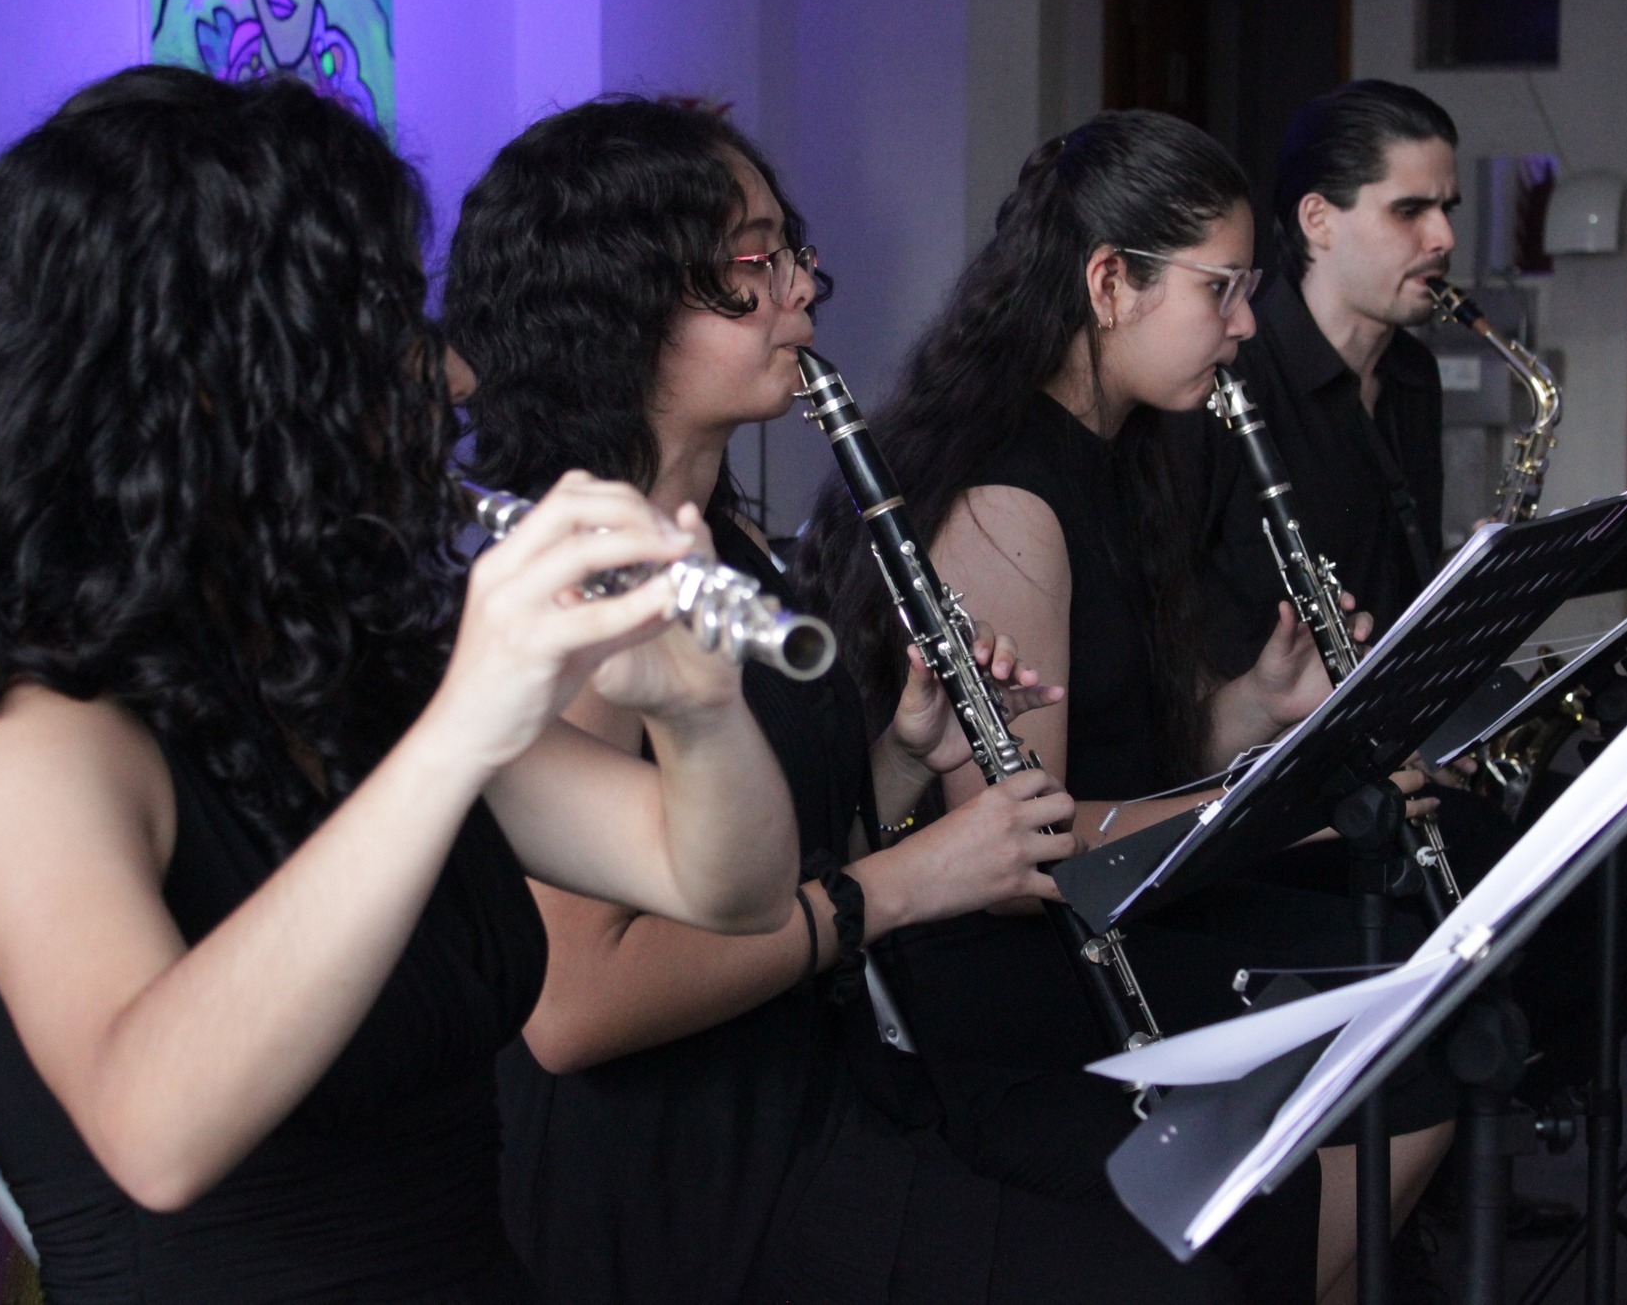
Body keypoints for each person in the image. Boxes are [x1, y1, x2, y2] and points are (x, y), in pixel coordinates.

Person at [0, 67, 799, 1304]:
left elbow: (728, 884)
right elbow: (155, 1133)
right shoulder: (29, 740)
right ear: (218, 383)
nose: (452, 378)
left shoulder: (339, 667)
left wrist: (693, 709)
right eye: (385, 325)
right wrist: (459, 729)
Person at [445, 95, 1324, 1304]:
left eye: (789, 251)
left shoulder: (728, 544)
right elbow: (578, 1008)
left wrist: (904, 764)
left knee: (1248, 1211)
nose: (805, 287)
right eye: (755, 263)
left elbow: (757, 852)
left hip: (822, 1079)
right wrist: (907, 882)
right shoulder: (579, 575)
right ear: (623, 306)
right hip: (678, 1172)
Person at [797, 107, 1456, 1305]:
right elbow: (1030, 849)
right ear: (1108, 283)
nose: (1247, 325)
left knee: (1416, 986)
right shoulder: (1006, 503)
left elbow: (1125, 744)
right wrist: (1290, 802)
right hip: (1008, 977)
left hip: (1120, 911)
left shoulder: (1129, 449)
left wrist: (1253, 711)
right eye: (1223, 290)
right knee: (1395, 1032)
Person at [1179, 79, 1627, 1110]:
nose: (1439, 236)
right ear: (1316, 221)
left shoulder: (1414, 380)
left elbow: (1397, 596)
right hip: (1279, 791)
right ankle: (1438, 1138)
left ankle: (1495, 1111)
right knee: (1490, 881)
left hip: (1406, 759)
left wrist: (1479, 598)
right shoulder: (1225, 387)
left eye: (1447, 211)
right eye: (1408, 210)